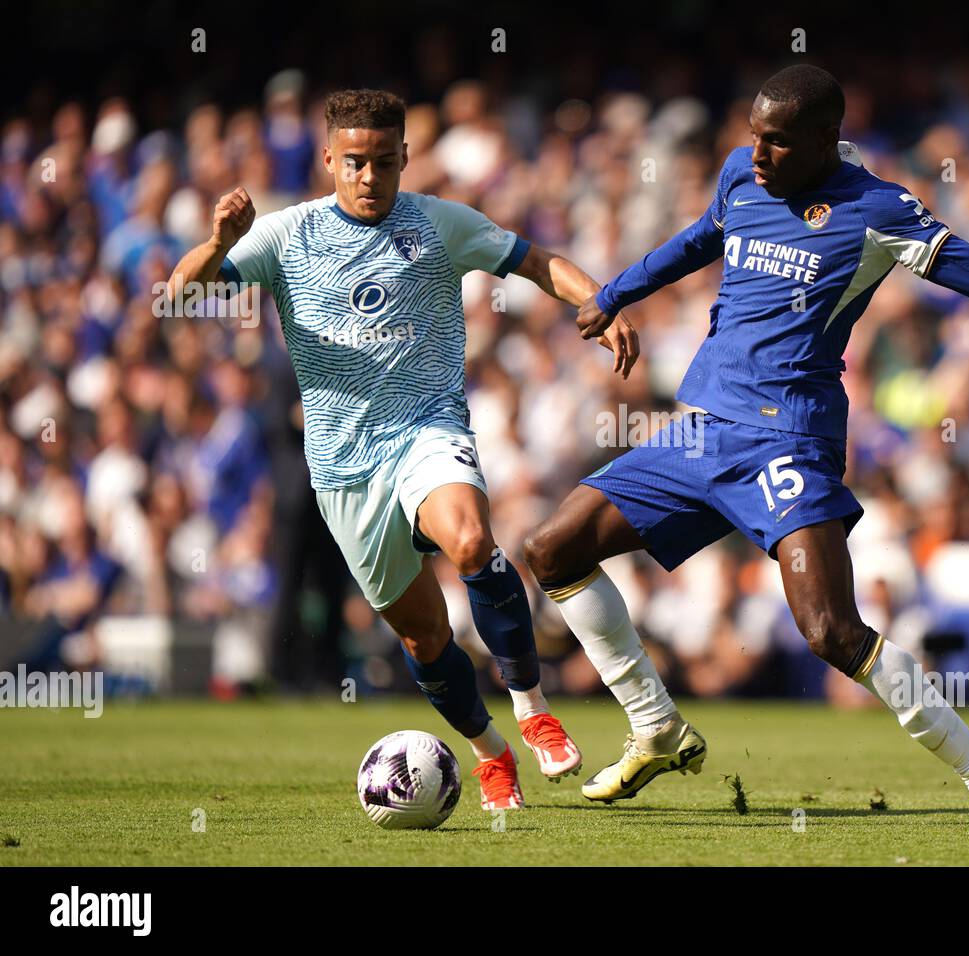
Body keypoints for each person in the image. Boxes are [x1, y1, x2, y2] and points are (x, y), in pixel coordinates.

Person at [523, 65, 969, 834]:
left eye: (777, 142)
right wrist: (615, 293)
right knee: (554, 549)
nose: (757, 154)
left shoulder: (879, 210)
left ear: (824, 140)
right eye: (752, 137)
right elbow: (694, 241)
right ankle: (656, 726)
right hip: (699, 427)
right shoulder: (739, 179)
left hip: (786, 440)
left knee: (830, 632)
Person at [166, 89, 640, 811]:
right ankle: (490, 753)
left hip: (428, 429)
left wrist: (600, 303)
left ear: (404, 159)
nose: (368, 177)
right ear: (328, 159)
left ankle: (533, 706)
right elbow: (180, 294)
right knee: (425, 639)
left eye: (384, 162)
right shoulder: (287, 235)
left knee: (473, 541)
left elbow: (535, 261)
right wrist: (220, 242)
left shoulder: (439, 224)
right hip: (343, 471)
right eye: (354, 162)